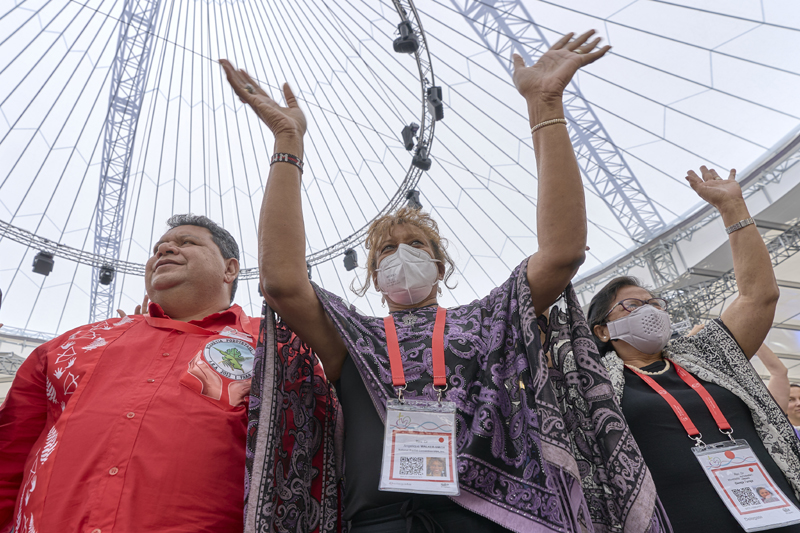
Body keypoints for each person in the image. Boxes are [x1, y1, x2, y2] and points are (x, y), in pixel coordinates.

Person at [224, 30, 671, 533]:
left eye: (417, 246)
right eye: (388, 251)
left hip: (498, 519)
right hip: (380, 522)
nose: (402, 256)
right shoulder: (355, 337)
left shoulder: (488, 319)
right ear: (373, 277)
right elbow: (282, 282)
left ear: (442, 267)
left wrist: (545, 107)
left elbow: (563, 252)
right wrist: (288, 143)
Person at [0, 215, 333, 532]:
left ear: (230, 269)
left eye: (186, 242)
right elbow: (8, 457)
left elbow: (314, 462)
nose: (165, 249)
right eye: (158, 247)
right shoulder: (72, 345)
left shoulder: (277, 348)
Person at [588, 166, 800, 533]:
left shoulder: (707, 355)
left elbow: (759, 296)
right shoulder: (592, 385)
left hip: (777, 514)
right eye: (633, 306)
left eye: (655, 303)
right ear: (602, 330)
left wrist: (734, 208)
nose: (651, 310)